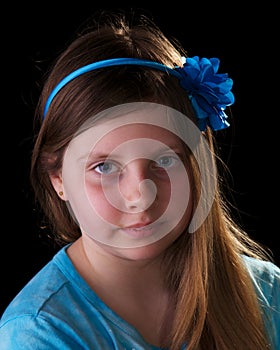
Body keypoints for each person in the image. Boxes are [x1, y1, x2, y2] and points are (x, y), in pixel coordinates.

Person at [0, 11, 279, 350]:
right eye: (104, 167)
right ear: (57, 178)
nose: (141, 196)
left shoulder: (268, 296)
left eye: (165, 160)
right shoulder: (38, 331)